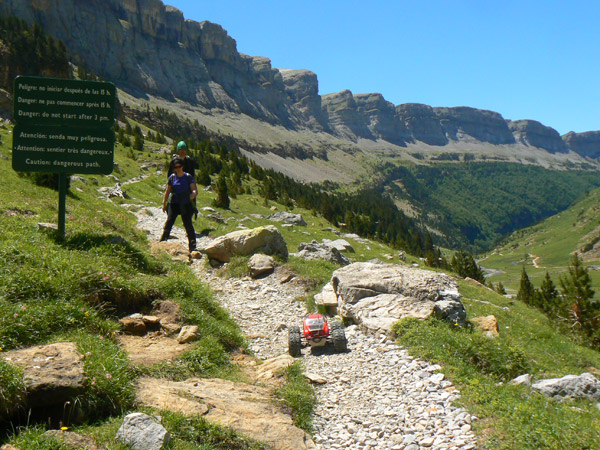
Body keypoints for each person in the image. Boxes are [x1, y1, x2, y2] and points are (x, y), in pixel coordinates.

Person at [160, 157, 198, 252]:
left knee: (187, 224)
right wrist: (164, 203)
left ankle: (192, 246)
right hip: (174, 203)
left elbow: (194, 189)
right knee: (169, 221)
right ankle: (162, 242)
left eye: (179, 166)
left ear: (182, 166)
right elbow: (167, 191)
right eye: (175, 167)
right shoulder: (172, 177)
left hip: (185, 203)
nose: (178, 168)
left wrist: (193, 194)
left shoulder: (188, 177)